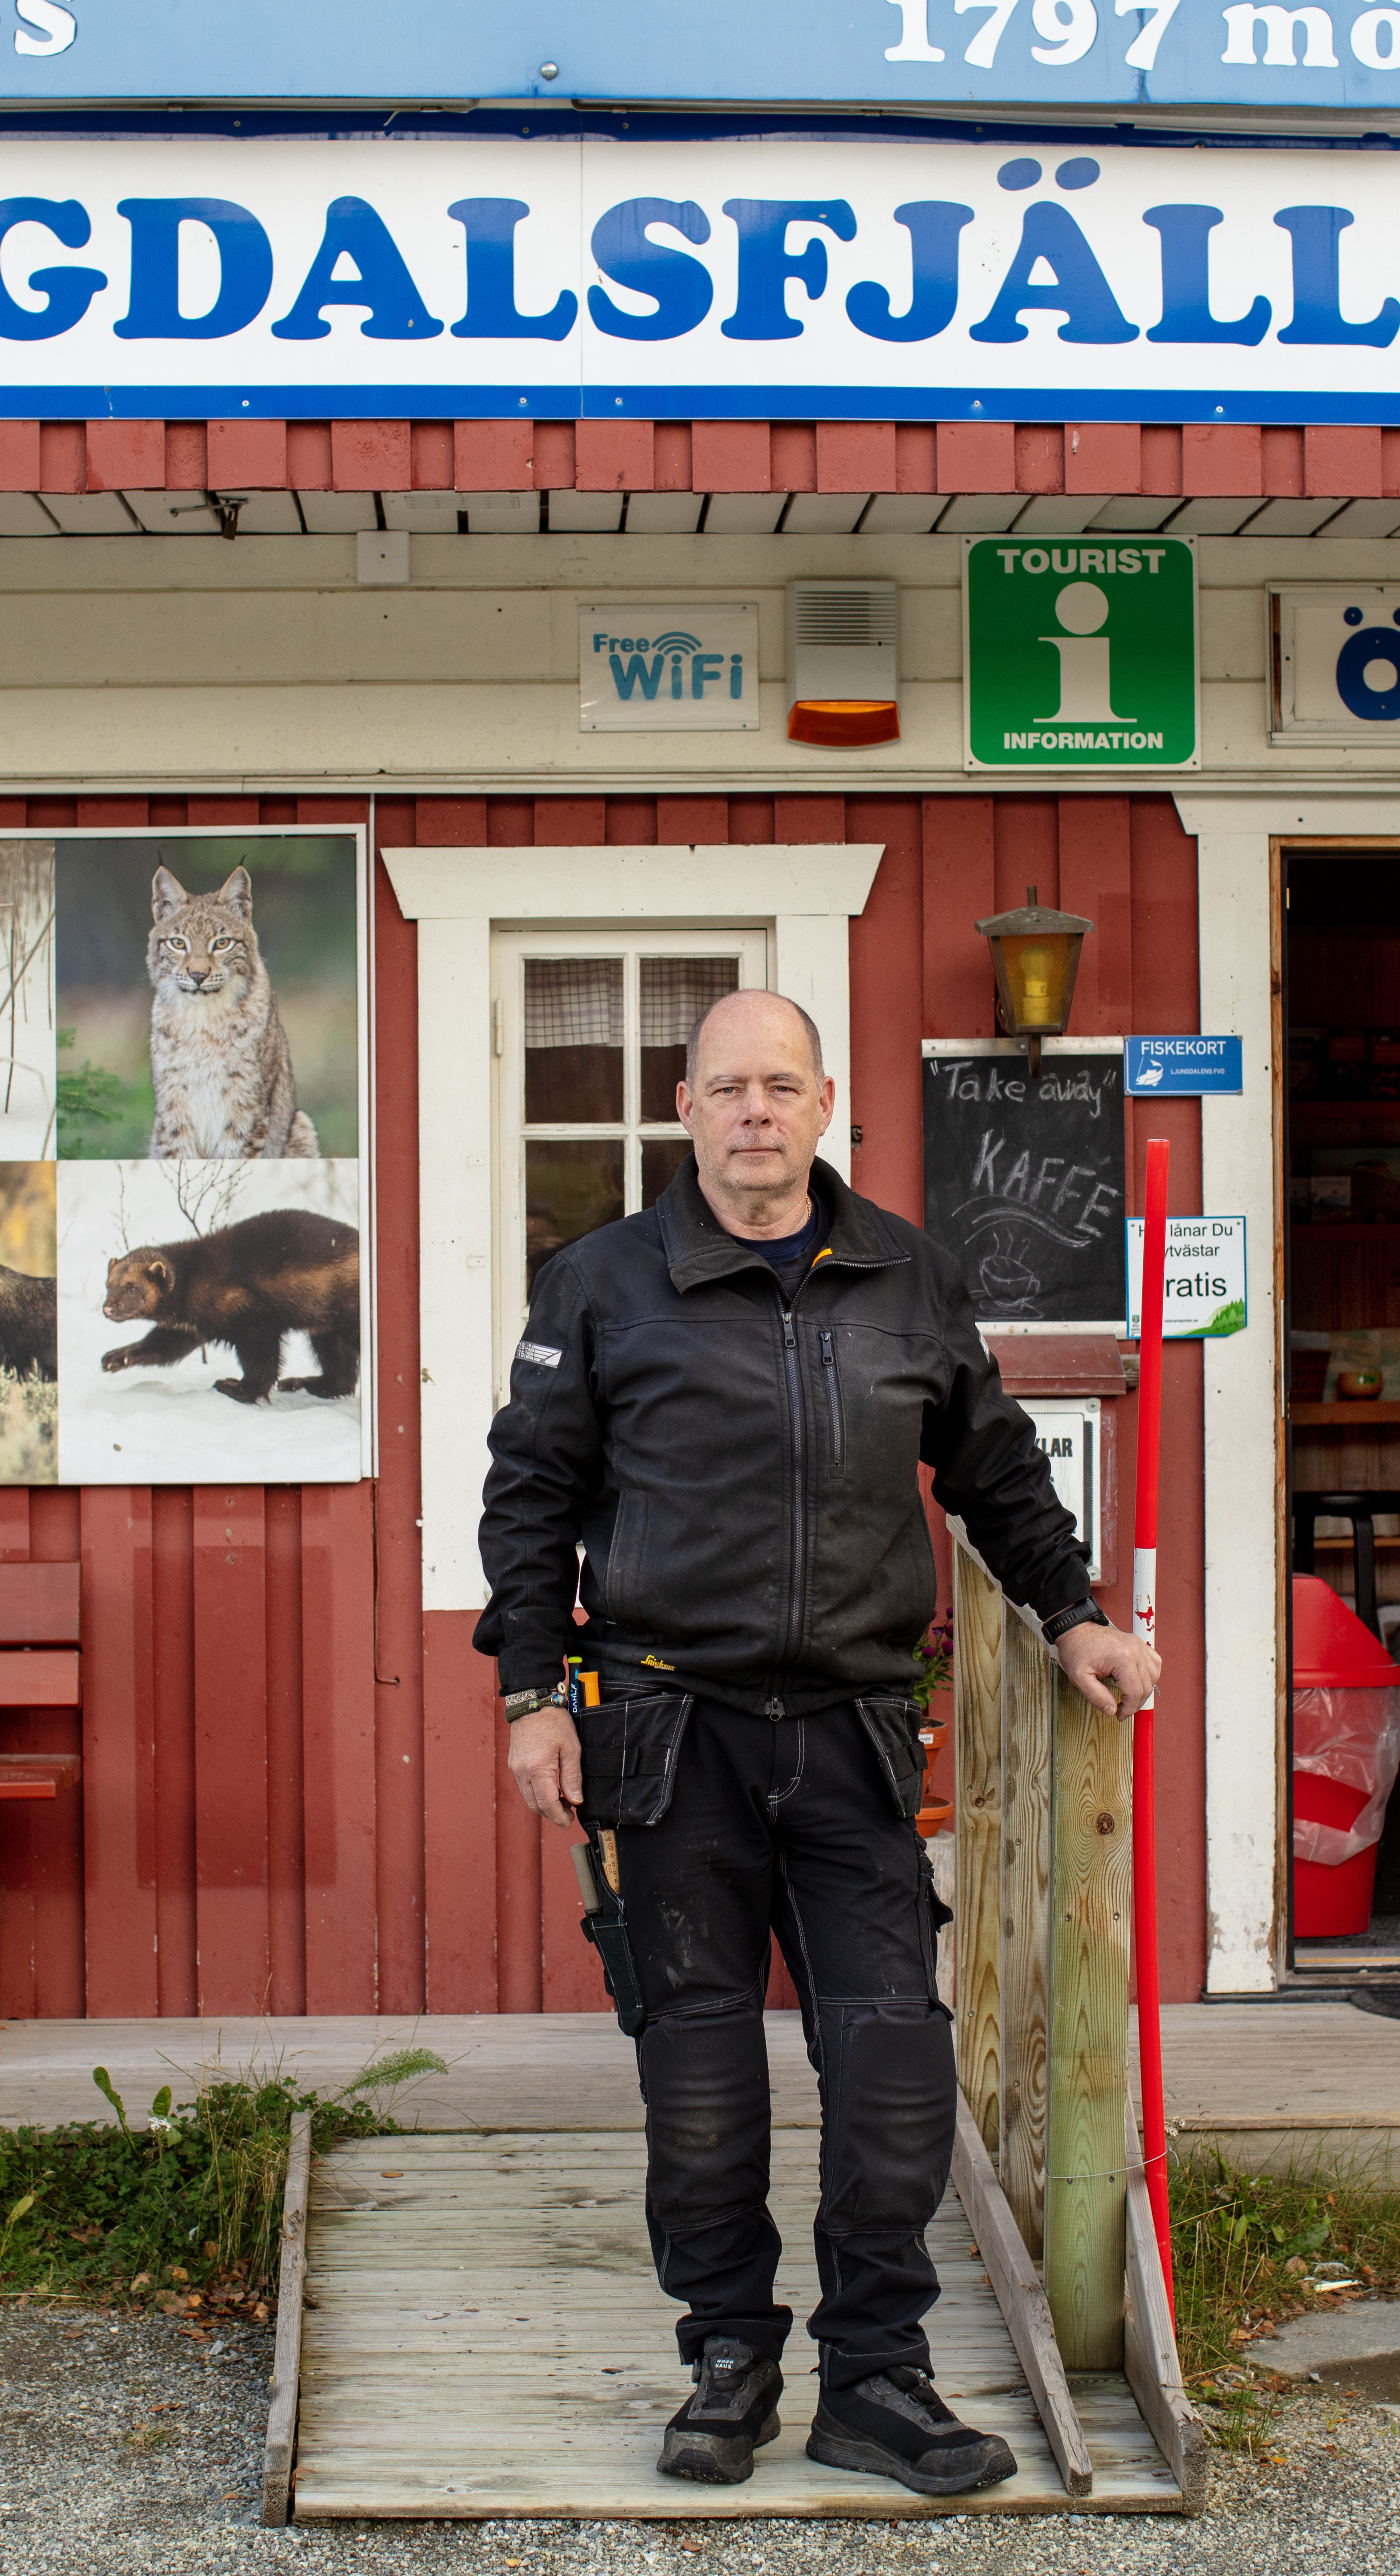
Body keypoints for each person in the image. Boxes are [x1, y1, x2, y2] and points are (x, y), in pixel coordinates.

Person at [478, 988, 1159, 2495]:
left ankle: (877, 2380)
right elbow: (527, 1500)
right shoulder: (603, 1283)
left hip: (852, 1732)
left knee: (895, 2067)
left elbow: (996, 1466)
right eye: (727, 1088)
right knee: (702, 2078)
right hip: (670, 1734)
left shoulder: (907, 1275)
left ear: (823, 1099)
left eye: (779, 1086)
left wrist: (1075, 1616)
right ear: (685, 1106)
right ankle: (728, 2362)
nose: (754, 1114)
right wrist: (535, 1696)